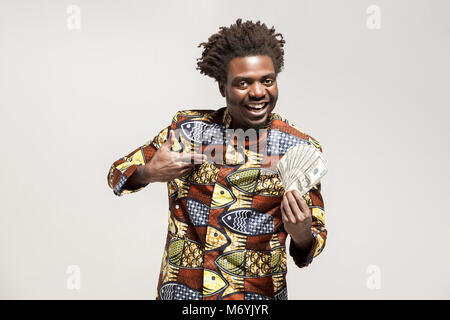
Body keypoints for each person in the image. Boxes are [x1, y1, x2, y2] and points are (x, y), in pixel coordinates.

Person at [107, 19, 327, 300]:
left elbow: (312, 241)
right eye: (243, 83)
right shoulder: (186, 131)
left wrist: (302, 233)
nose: (258, 92)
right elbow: (116, 174)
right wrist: (148, 172)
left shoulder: (298, 148)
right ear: (222, 86)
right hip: (183, 295)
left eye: (267, 80)